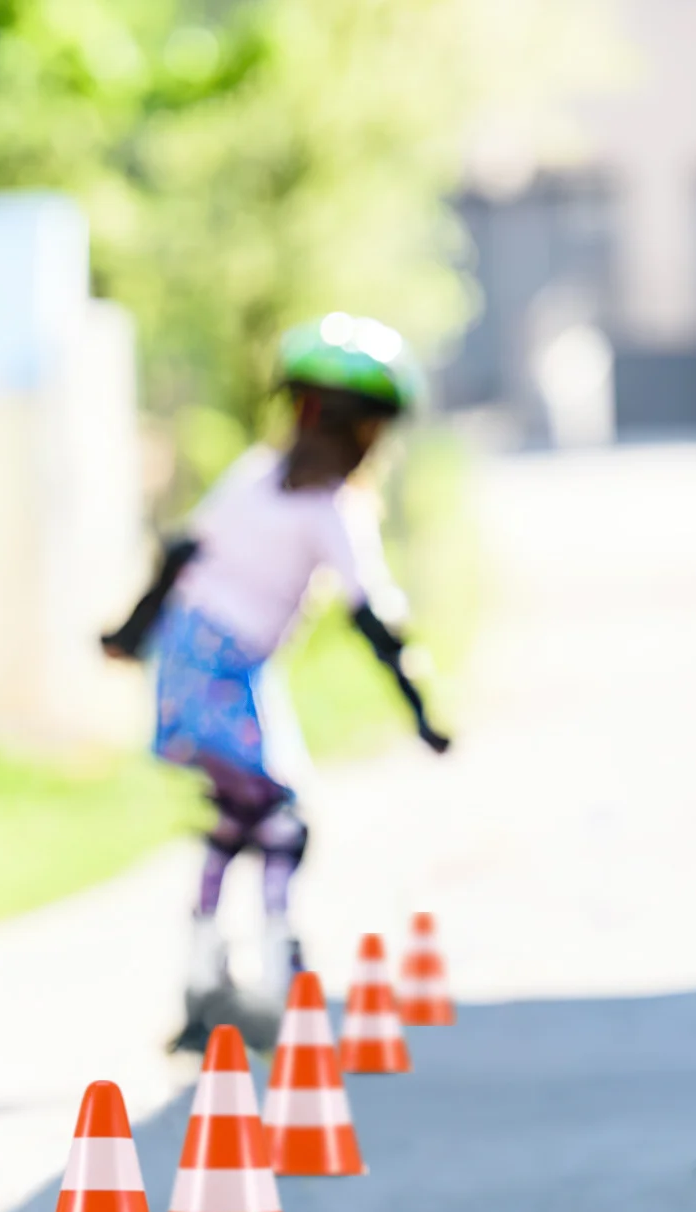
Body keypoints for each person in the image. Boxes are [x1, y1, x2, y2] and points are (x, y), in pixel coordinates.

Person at [103, 314, 450, 1052]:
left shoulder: (260, 474)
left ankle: (204, 981)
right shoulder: (330, 507)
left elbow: (182, 553)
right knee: (283, 822)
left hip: (193, 663)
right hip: (219, 671)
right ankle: (278, 977)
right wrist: (421, 709)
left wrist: (132, 634)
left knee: (239, 819)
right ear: (370, 433)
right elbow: (374, 616)